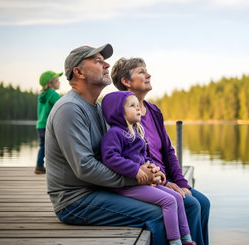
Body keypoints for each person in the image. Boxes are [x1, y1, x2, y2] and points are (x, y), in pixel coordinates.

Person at [45, 44, 169, 245]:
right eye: (97, 61)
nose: (106, 64)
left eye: (104, 60)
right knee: (157, 214)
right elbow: (85, 167)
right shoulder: (69, 109)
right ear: (79, 72)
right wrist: (136, 178)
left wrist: (146, 168)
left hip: (100, 189)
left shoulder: (98, 108)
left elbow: (117, 152)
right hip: (76, 202)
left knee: (175, 202)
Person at [111, 57, 210, 245]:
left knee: (203, 203)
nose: (148, 75)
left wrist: (182, 182)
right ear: (126, 81)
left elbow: (168, 151)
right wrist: (165, 182)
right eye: (141, 72)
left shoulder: (153, 111)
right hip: (151, 180)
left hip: (165, 177)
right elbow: (135, 157)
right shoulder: (120, 116)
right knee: (192, 205)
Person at [101, 91, 196, 245]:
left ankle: (186, 239)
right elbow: (110, 157)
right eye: (132, 106)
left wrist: (157, 170)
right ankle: (175, 242)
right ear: (118, 111)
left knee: (177, 197)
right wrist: (135, 170)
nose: (138, 109)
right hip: (127, 185)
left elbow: (145, 157)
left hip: (143, 181)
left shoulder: (136, 133)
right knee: (169, 201)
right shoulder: (114, 134)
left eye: (138, 105)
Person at [35, 70, 62, 174]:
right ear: (50, 83)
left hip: (40, 125)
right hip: (48, 126)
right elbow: (62, 105)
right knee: (51, 148)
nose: (59, 82)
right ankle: (52, 168)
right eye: (57, 81)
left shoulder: (42, 95)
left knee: (43, 147)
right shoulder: (52, 93)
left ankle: (39, 166)